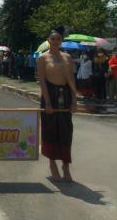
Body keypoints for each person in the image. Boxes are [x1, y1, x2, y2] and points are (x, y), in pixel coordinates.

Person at [37, 27, 78, 182]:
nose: (55, 41)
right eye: (52, 39)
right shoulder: (42, 58)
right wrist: (47, 101)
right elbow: (42, 81)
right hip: (50, 95)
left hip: (65, 95)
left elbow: (72, 81)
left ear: (61, 41)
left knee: (66, 130)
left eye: (58, 39)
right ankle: (52, 162)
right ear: (49, 41)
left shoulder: (67, 57)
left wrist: (74, 100)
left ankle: (66, 166)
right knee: (50, 129)